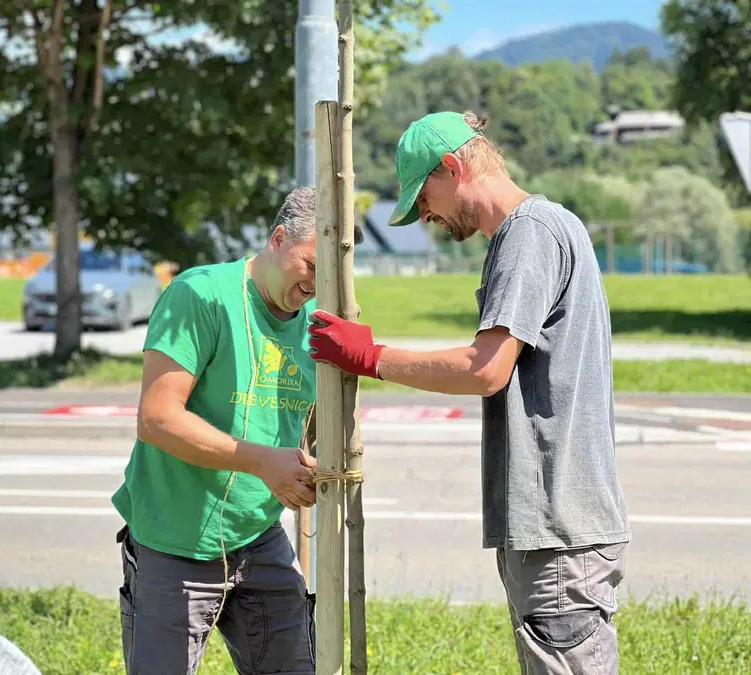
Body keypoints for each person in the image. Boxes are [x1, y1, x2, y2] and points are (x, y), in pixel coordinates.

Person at [308, 111, 632, 674]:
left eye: (424, 197)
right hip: (559, 528)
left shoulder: (529, 232)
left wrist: (369, 357)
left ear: (453, 166)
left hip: (558, 530)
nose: (426, 216)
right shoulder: (550, 226)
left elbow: (486, 370)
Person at [111, 186, 359, 675]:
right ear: (279, 238)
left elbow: (310, 424)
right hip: (173, 540)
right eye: (310, 265)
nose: (316, 284)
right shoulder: (201, 295)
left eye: (330, 273)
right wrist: (264, 462)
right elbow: (157, 419)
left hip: (259, 537)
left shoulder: (319, 322)